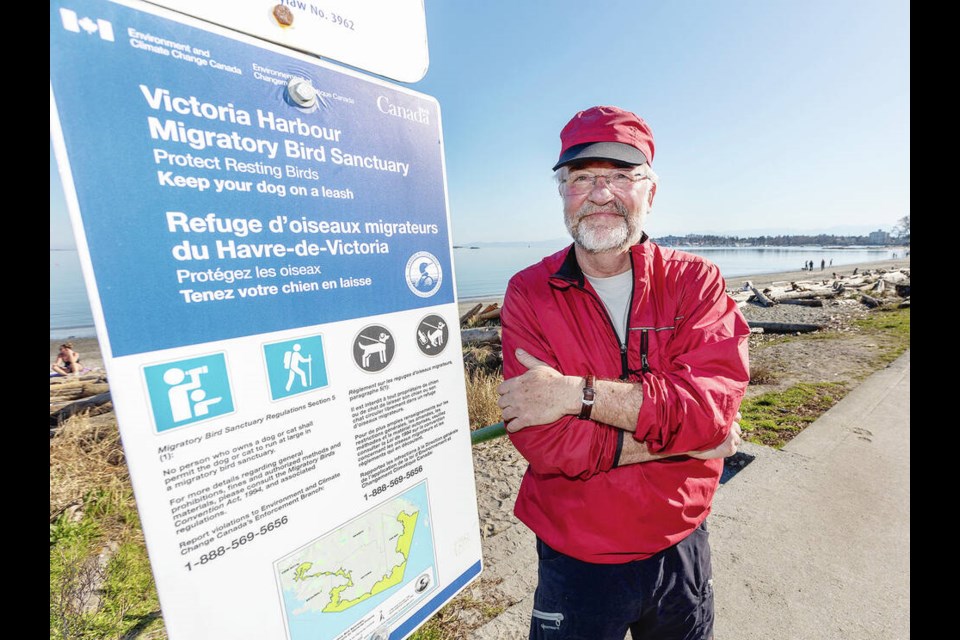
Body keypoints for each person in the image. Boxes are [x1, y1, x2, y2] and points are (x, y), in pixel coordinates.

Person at [496, 105, 751, 639]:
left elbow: (710, 409)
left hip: (679, 543)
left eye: (620, 177)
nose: (600, 193)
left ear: (650, 194)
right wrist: (690, 441)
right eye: (583, 178)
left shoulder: (694, 280)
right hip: (576, 556)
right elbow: (545, 442)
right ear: (562, 193)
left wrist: (575, 394)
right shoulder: (529, 291)